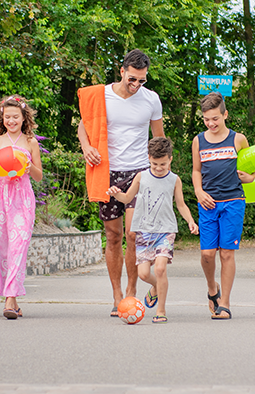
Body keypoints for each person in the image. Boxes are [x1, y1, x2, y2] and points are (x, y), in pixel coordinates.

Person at [77, 48, 165, 317]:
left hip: (138, 172)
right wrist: (86, 147)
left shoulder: (151, 100)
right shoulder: (99, 95)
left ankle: (131, 291)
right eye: (133, 79)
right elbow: (83, 125)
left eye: (143, 80)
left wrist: (162, 174)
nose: (137, 85)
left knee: (133, 235)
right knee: (113, 236)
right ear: (122, 71)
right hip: (107, 171)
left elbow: (159, 139)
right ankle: (116, 294)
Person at [106, 137, 197, 323]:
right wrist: (116, 194)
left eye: (163, 164)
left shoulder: (174, 180)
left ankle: (161, 311)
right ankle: (155, 287)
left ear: (170, 159)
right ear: (148, 158)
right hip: (144, 232)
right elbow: (127, 198)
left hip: (165, 231)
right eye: (155, 163)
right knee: (144, 274)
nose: (158, 167)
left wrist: (190, 221)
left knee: (161, 268)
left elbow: (181, 205)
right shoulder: (141, 176)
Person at [191, 92, 253, 320]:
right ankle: (212, 289)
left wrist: (251, 177)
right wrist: (198, 191)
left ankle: (224, 304)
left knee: (227, 253)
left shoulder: (238, 139)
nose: (211, 123)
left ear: (225, 114)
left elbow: (252, 168)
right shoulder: (198, 140)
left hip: (233, 202)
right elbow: (196, 170)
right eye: (206, 119)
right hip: (208, 203)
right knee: (207, 254)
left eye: (215, 118)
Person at [0, 95, 44, 319]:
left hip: (23, 199)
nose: (11, 120)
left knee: (19, 245)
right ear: (2, 117)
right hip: (2, 198)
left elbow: (38, 176)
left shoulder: (30, 142)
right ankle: (14, 302)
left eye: (15, 117)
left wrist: (29, 167)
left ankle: (9, 300)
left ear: (23, 117)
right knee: (5, 249)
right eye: (7, 116)